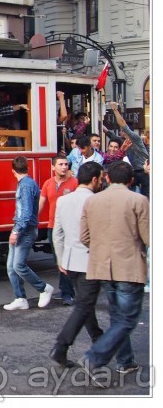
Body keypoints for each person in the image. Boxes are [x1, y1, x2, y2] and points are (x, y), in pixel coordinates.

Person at [79, 161, 149, 386]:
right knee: (127, 319)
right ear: (130, 181)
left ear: (107, 178)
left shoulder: (92, 201)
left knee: (118, 316)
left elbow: (84, 236)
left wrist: (101, 247)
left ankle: (125, 360)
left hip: (102, 265)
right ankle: (95, 357)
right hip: (129, 266)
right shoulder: (138, 200)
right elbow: (148, 237)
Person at [49, 162, 106, 368]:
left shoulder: (63, 201)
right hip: (91, 260)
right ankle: (61, 346)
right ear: (94, 180)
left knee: (85, 303)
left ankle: (97, 337)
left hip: (71, 261)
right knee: (83, 306)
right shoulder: (96, 201)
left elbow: (57, 233)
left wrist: (61, 258)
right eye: (100, 178)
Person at [3, 156, 55, 310]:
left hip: (24, 230)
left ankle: (44, 288)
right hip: (22, 228)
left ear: (13, 170)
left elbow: (25, 213)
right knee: (12, 267)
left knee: (17, 266)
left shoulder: (25, 186)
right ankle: (20, 298)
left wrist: (16, 231)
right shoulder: (27, 183)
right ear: (27, 167)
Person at [39, 155, 79, 305]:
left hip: (69, 226)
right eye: (61, 164)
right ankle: (65, 290)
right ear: (53, 167)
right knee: (59, 260)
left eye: (66, 164)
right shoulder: (48, 183)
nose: (64, 167)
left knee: (66, 260)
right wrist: (33, 220)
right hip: (53, 226)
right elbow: (42, 203)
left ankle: (68, 293)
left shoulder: (74, 182)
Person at [107, 101, 149, 197]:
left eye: (121, 130)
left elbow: (123, 125)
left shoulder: (135, 137)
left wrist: (115, 109)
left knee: (147, 194)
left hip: (144, 171)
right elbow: (108, 133)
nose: (120, 131)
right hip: (135, 171)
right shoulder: (122, 140)